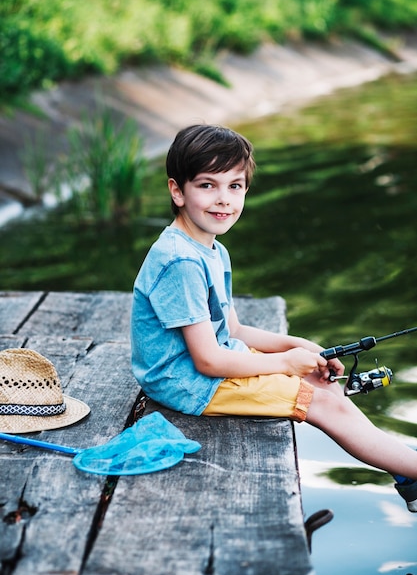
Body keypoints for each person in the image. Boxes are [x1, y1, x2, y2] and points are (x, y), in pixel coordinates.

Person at [131, 123, 417, 511]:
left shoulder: (210, 248)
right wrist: (283, 363)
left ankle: (405, 472)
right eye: (207, 185)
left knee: (326, 385)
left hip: (203, 368)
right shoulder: (180, 260)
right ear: (177, 191)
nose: (223, 200)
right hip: (184, 383)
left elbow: (232, 330)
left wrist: (300, 346)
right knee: (324, 403)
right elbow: (209, 359)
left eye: (235, 186)